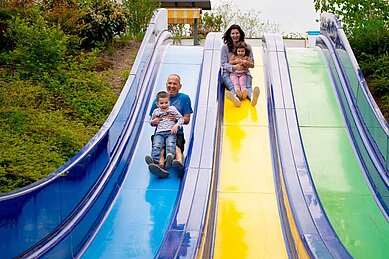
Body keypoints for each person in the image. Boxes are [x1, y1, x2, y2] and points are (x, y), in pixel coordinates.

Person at [146, 74, 193, 178]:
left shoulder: (184, 98)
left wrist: (176, 120)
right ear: (166, 84)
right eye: (170, 83)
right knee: (160, 147)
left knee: (176, 147)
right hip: (160, 133)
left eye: (174, 84)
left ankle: (179, 164)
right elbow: (151, 120)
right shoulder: (157, 101)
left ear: (180, 86)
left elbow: (186, 119)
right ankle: (161, 167)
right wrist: (156, 121)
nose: (171, 86)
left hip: (176, 133)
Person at [221, 24, 260, 107]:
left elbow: (252, 63)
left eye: (237, 33)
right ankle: (236, 98)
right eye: (233, 33)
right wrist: (234, 67)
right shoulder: (225, 48)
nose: (235, 35)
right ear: (229, 35)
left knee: (246, 86)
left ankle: (253, 97)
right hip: (229, 73)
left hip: (244, 72)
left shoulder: (247, 47)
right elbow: (223, 64)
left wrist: (245, 63)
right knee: (233, 85)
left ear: (240, 34)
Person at [146, 91, 184, 172]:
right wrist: (154, 121)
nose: (164, 105)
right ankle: (155, 161)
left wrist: (176, 125)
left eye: (166, 102)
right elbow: (151, 122)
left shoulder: (172, 109)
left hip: (170, 132)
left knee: (171, 144)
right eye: (162, 103)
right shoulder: (156, 111)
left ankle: (168, 159)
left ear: (169, 102)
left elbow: (181, 119)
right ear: (157, 104)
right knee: (157, 145)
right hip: (159, 133)